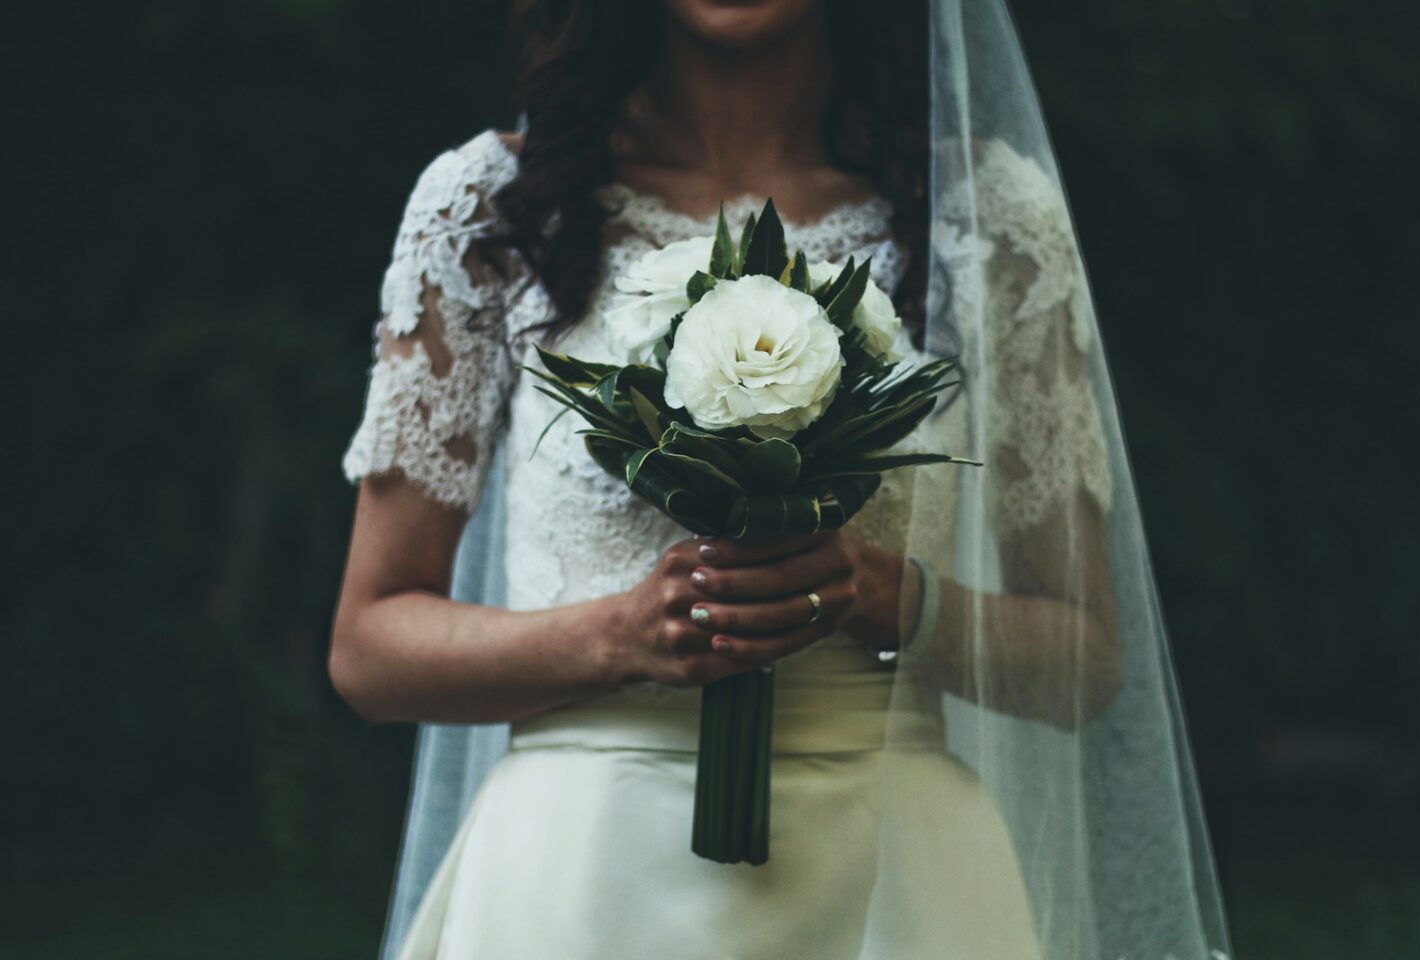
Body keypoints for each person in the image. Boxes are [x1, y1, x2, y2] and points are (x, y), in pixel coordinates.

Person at [331, 1, 1232, 958]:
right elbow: (371, 644)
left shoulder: (986, 218)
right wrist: (619, 635)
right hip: (582, 877)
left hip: (895, 873)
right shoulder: (495, 208)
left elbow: (1084, 656)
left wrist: (887, 597)